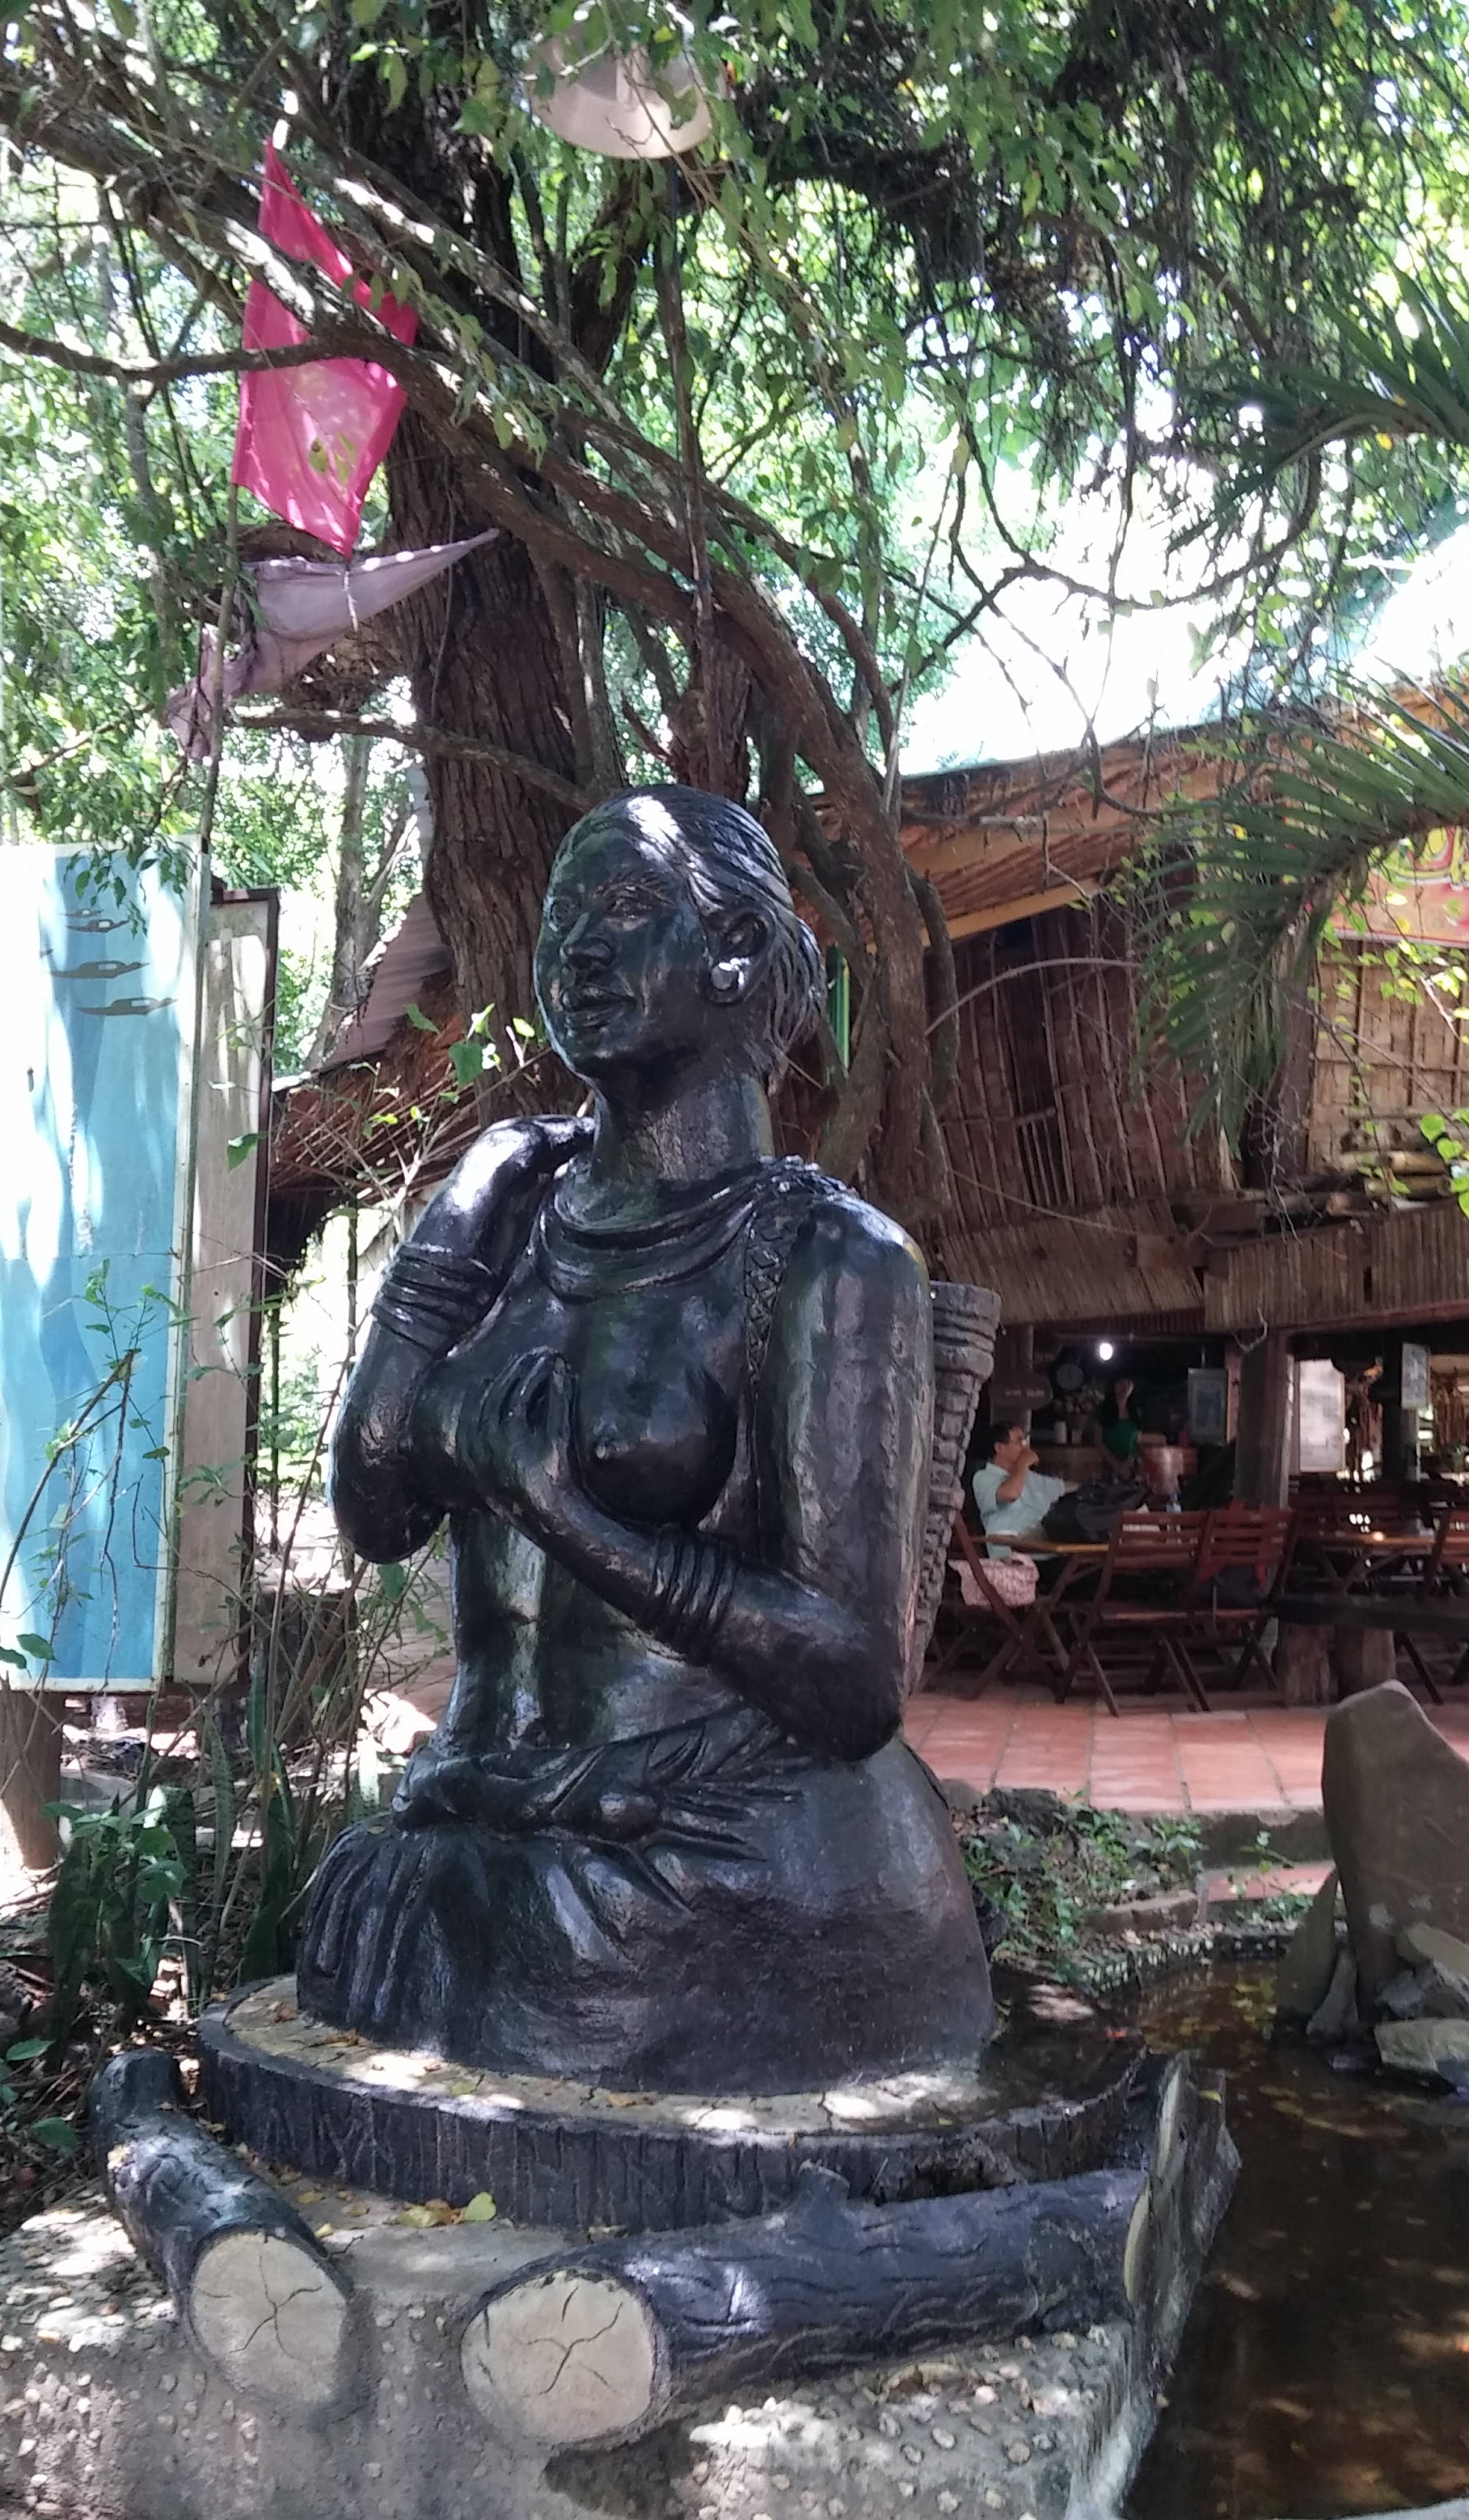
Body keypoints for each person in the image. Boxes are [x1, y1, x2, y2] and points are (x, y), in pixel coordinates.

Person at [296, 784, 992, 2095]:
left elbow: (853, 1682)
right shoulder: (511, 1214)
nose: (579, 948)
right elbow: (374, 1511)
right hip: (485, 1814)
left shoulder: (829, 1258)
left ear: (734, 949)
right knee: (371, 1907)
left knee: (537, 1968)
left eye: (624, 906)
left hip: (717, 1844)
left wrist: (575, 1521)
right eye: (563, 917)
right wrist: (450, 1233)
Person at [972, 1421, 1070, 1556]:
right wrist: (1023, 1462)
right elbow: (1010, 1494)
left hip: (1048, 1549)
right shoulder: (984, 1477)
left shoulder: (1030, 1477)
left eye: (1026, 1441)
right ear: (999, 1448)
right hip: (1012, 1553)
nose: (1026, 1447)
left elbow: (1064, 1488)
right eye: (1020, 1441)